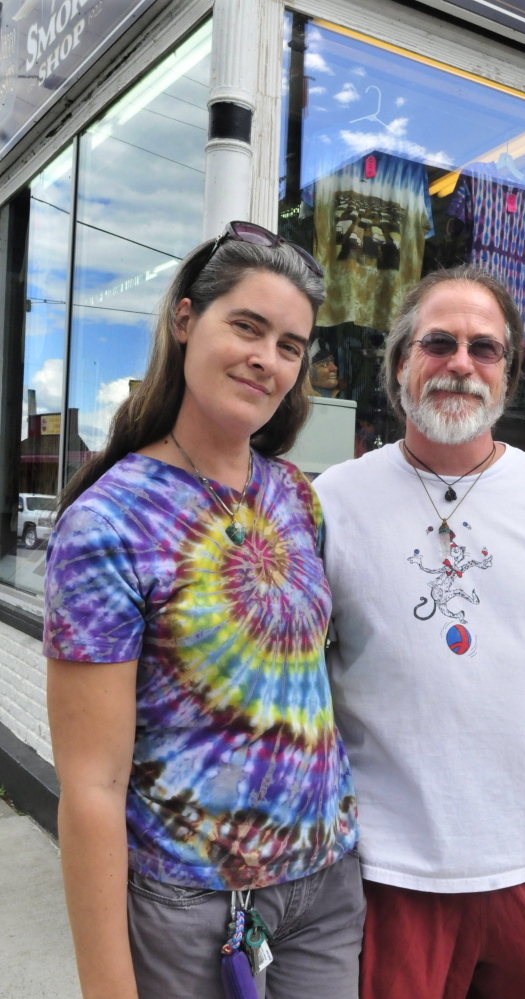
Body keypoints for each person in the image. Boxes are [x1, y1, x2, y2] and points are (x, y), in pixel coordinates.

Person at [313, 265, 525, 999]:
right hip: (383, 880)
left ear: (506, 373)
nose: (460, 363)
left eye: (483, 348)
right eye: (437, 342)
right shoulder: (332, 501)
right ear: (400, 362)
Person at [44, 223, 364, 999]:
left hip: (324, 890)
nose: (267, 358)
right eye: (246, 326)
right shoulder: (107, 524)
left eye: (290, 344)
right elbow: (91, 783)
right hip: (192, 911)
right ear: (185, 320)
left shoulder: (295, 495)